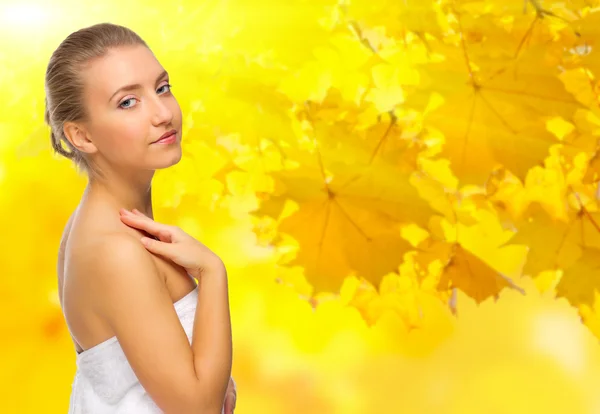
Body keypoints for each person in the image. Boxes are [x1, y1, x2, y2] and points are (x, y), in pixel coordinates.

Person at [45, 22, 236, 413]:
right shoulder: (116, 252)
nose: (163, 113)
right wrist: (214, 272)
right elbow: (199, 409)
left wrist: (214, 381)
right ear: (82, 137)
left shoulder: (97, 226)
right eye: (127, 102)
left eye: (162, 88)